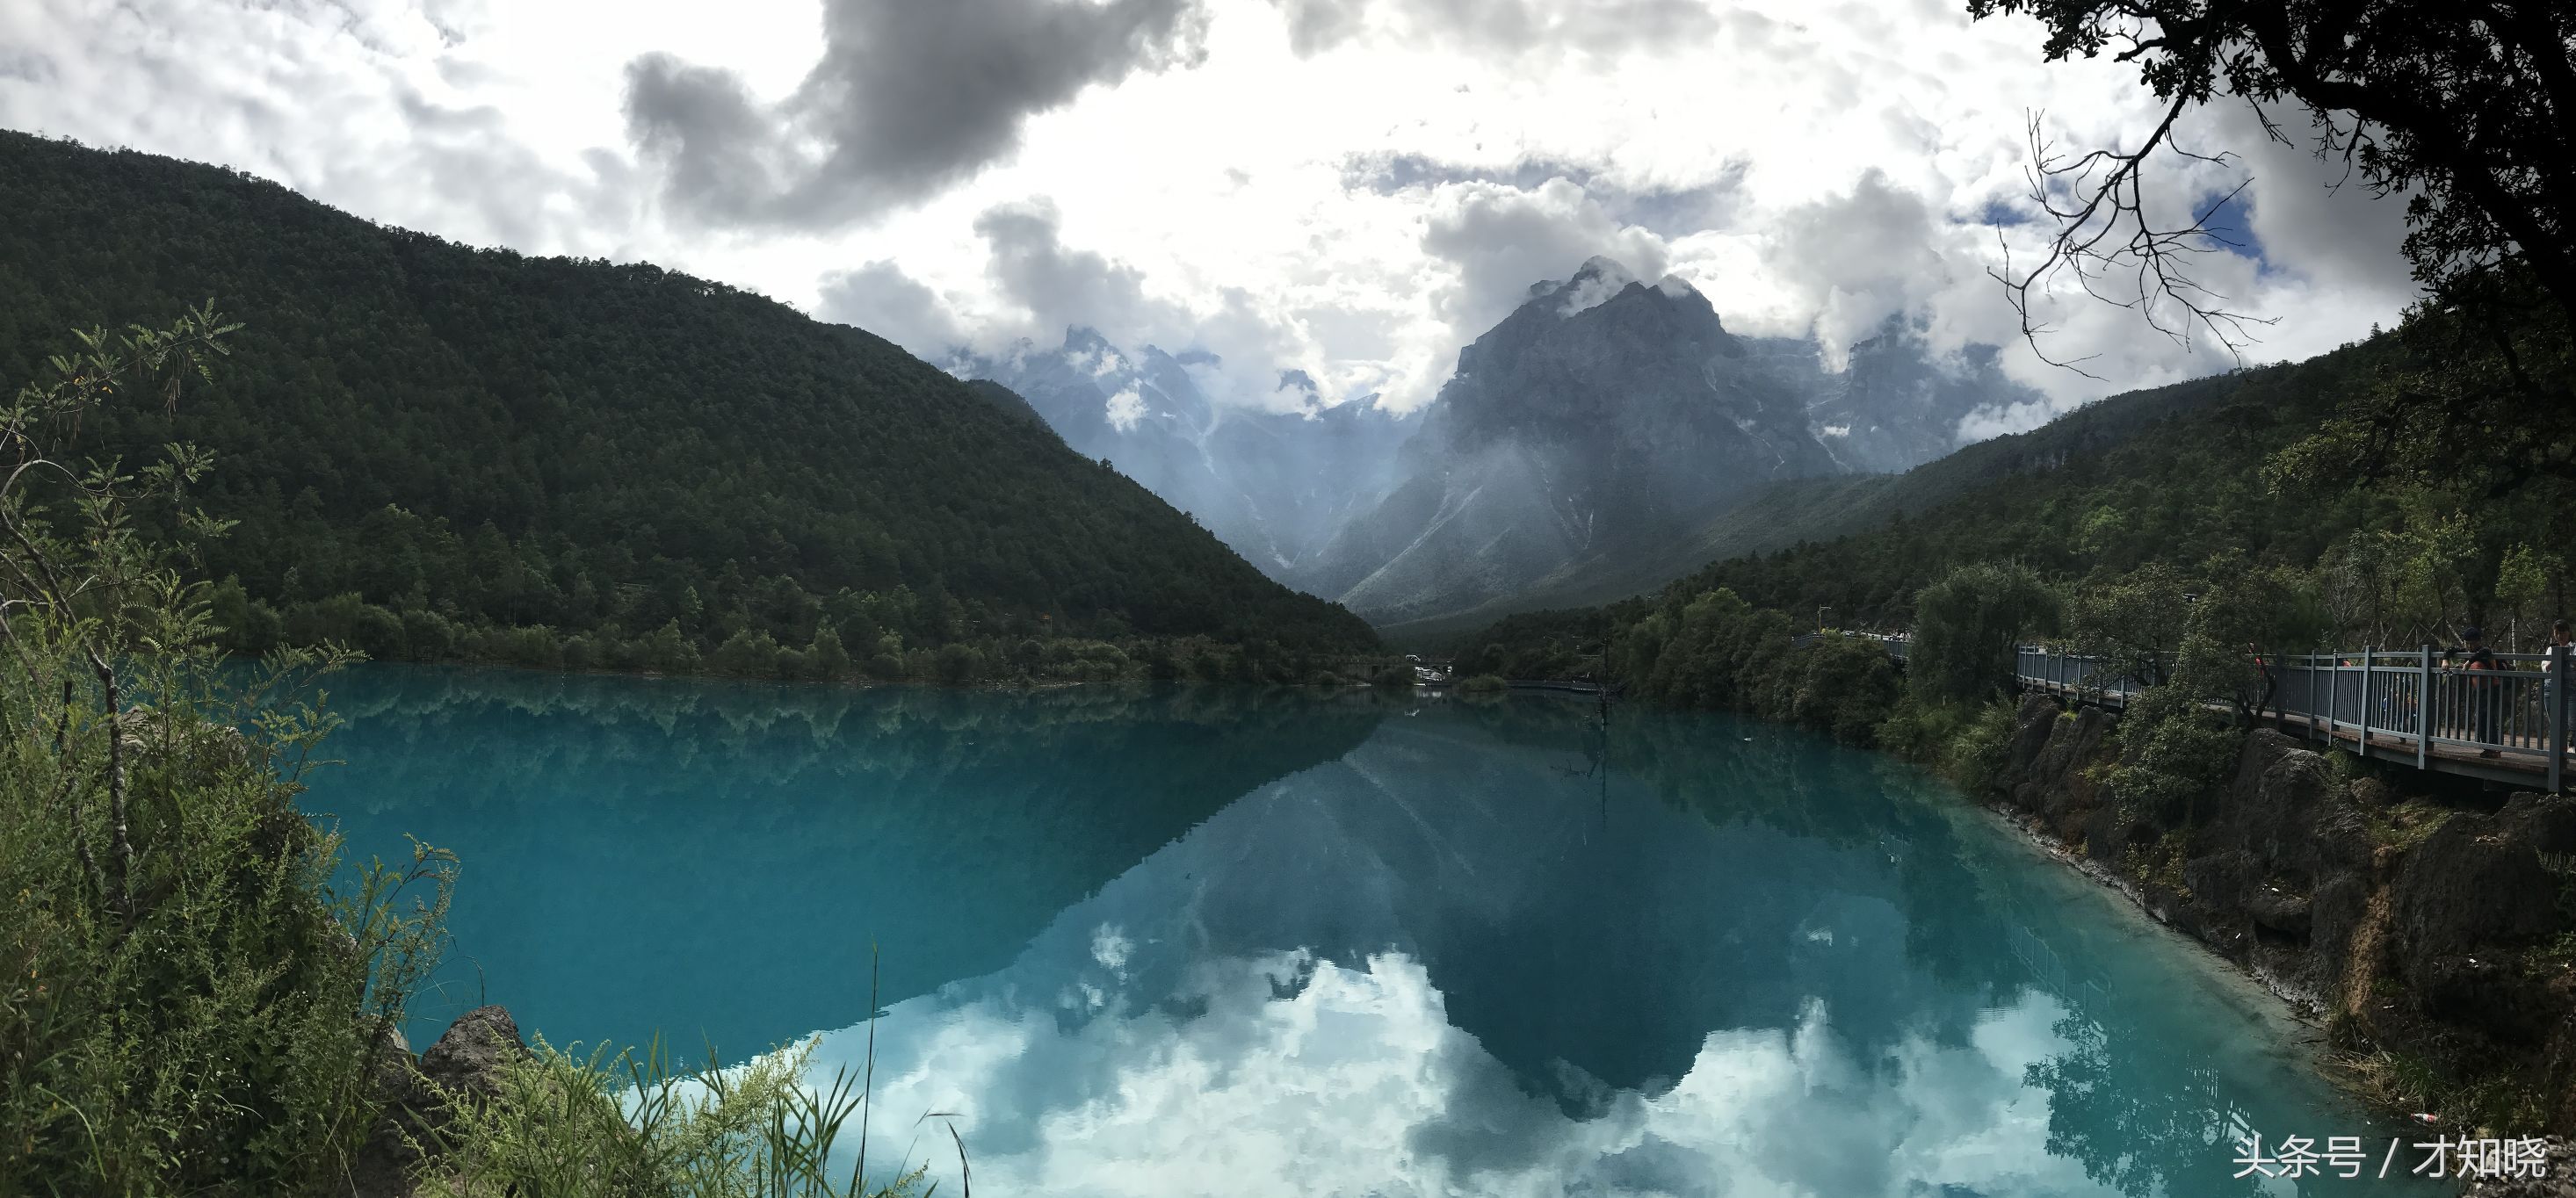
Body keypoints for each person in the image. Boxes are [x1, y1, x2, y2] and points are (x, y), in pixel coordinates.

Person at [2460, 626, 2500, 756]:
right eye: (2467, 643)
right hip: (2479, 690)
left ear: (2478, 641)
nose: (2469, 646)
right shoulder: (2470, 653)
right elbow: (2452, 650)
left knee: (2488, 717)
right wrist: (2446, 659)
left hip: (2490, 688)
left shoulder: (2484, 651)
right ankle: (2487, 748)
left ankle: (2494, 748)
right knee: (2481, 718)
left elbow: (2485, 651)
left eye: (2472, 643)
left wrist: (2468, 662)